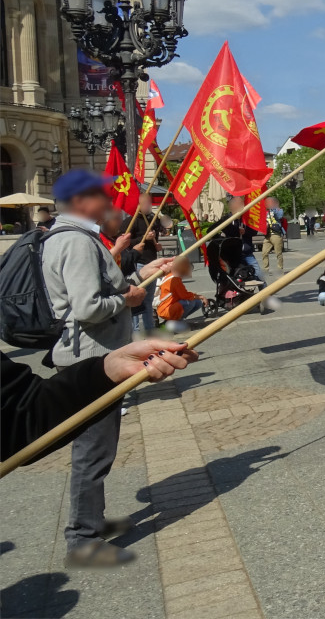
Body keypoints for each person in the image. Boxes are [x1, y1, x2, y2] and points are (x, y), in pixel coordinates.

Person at [41, 169, 172, 567]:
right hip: (89, 357)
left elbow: (100, 289)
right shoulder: (77, 243)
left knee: (97, 447)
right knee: (92, 450)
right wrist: (129, 301)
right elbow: (88, 308)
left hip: (92, 354)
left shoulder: (71, 238)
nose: (110, 205)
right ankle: (82, 539)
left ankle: (91, 522)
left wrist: (139, 276)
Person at [2, 339, 198, 464]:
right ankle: (84, 528)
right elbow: (86, 307)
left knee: (97, 455)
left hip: (91, 362)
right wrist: (124, 298)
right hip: (83, 348)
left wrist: (106, 371)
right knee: (92, 455)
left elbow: (22, 419)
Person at [219, 196, 266, 283]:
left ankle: (265, 294)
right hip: (233, 255)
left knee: (259, 275)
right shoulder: (227, 219)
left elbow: (254, 231)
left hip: (247, 253)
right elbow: (226, 231)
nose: (242, 206)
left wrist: (245, 231)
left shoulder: (247, 218)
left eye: (242, 204)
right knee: (233, 277)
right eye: (239, 204)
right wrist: (236, 231)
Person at [154, 257, 206, 332]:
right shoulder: (175, 279)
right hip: (166, 309)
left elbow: (183, 294)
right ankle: (175, 321)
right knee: (189, 302)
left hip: (167, 307)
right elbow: (184, 295)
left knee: (196, 302)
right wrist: (200, 296)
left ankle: (172, 321)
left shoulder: (172, 276)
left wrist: (197, 297)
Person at [261, 197, 286, 274]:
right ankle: (266, 269)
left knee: (278, 253)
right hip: (267, 235)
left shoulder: (279, 210)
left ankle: (280, 268)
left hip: (276, 234)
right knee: (264, 252)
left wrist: (273, 209)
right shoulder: (265, 212)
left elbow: (279, 216)